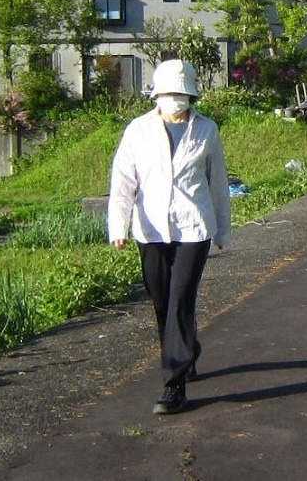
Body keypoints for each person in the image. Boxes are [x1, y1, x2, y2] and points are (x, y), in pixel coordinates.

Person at [107, 59, 231, 415]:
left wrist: (222, 229)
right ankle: (187, 346)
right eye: (168, 93)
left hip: (194, 227)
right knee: (162, 301)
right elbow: (123, 182)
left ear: (191, 95)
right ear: (157, 94)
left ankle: (173, 382)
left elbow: (218, 183)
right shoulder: (138, 130)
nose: (175, 99)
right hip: (150, 229)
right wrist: (118, 226)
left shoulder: (206, 130)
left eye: (181, 93)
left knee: (179, 300)